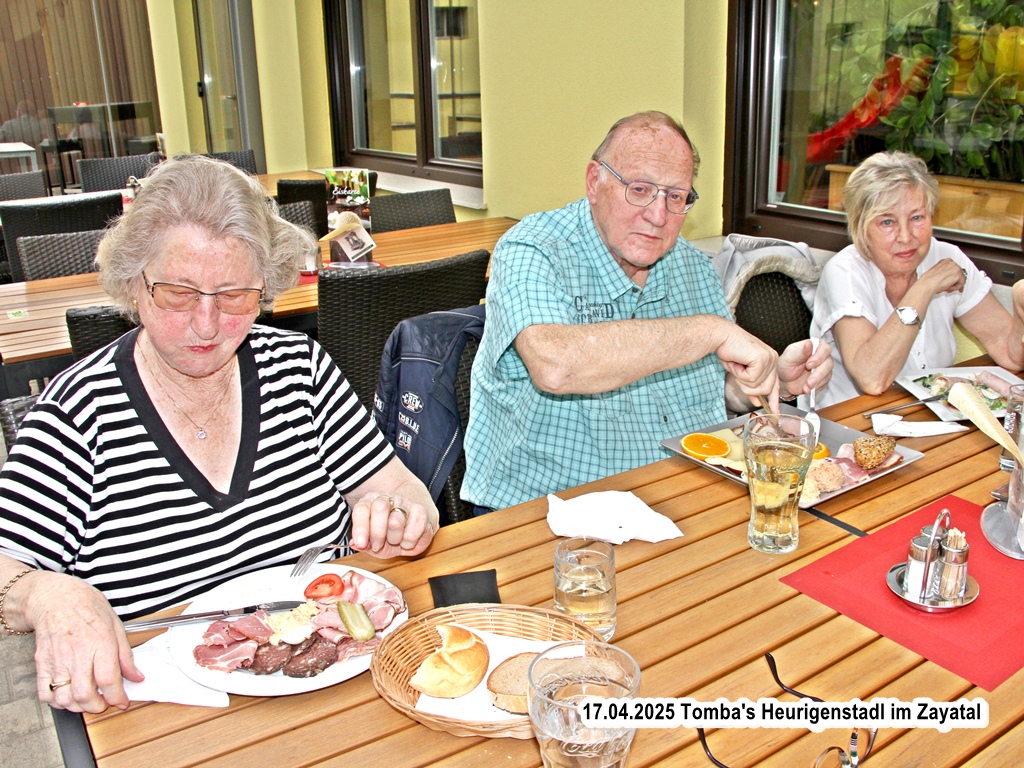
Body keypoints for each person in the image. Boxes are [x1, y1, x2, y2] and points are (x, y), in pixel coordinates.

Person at [0, 155, 438, 713]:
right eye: (179, 293)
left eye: (234, 296)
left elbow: (400, 488)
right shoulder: (76, 413)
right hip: (167, 710)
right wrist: (46, 593)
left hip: (337, 683)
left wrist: (404, 512)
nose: (207, 325)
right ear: (134, 284)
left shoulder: (299, 369)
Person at [462, 111, 832, 512]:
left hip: (678, 500)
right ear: (594, 181)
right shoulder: (532, 249)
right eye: (639, 189)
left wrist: (768, 382)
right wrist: (710, 331)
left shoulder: (690, 266)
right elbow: (555, 366)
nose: (658, 216)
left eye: (676, 197)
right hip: (548, 512)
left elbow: (711, 392)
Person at [811, 151, 1024, 406]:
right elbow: (872, 379)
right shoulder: (844, 271)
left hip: (928, 414)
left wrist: (1021, 309)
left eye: (917, 217)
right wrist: (924, 288)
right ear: (860, 227)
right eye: (887, 222)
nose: (906, 236)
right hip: (848, 419)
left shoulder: (946, 257)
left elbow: (1010, 355)